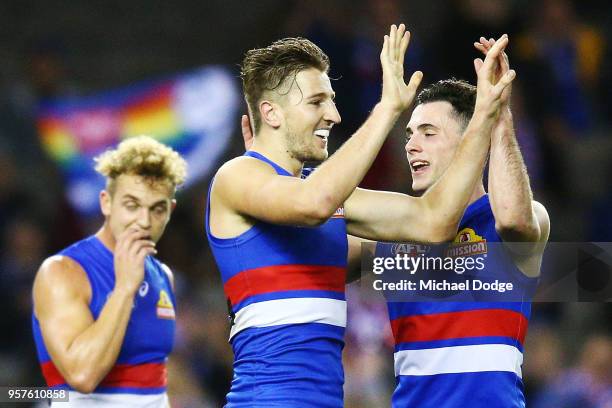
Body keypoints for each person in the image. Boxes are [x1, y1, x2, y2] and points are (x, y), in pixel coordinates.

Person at [209, 25, 512, 407]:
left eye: (332, 100)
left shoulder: (330, 202)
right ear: (270, 112)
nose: (333, 114)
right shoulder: (236, 175)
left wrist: (484, 114)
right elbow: (314, 202)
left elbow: (431, 224)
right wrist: (386, 110)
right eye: (317, 101)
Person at [384, 37, 550, 407]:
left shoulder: (519, 219)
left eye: (428, 133)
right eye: (410, 135)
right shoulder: (393, 227)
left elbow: (514, 222)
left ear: (469, 141)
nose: (411, 145)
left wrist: (499, 117)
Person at [32, 136, 187, 407]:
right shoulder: (62, 272)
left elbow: (153, 386)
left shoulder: (163, 275)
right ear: (106, 202)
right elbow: (82, 375)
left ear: (170, 211)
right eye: (132, 205)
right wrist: (125, 288)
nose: (144, 221)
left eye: (157, 209)